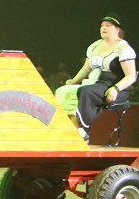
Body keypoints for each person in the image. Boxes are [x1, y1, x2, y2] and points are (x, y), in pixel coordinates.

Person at [53, 14, 135, 142]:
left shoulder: (124, 49)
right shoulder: (95, 46)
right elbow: (86, 68)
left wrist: (115, 88)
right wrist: (72, 81)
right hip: (93, 82)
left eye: (108, 26)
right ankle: (66, 127)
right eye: (102, 26)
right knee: (63, 91)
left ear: (117, 29)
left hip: (113, 86)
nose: (104, 28)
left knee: (85, 92)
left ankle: (80, 130)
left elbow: (131, 76)